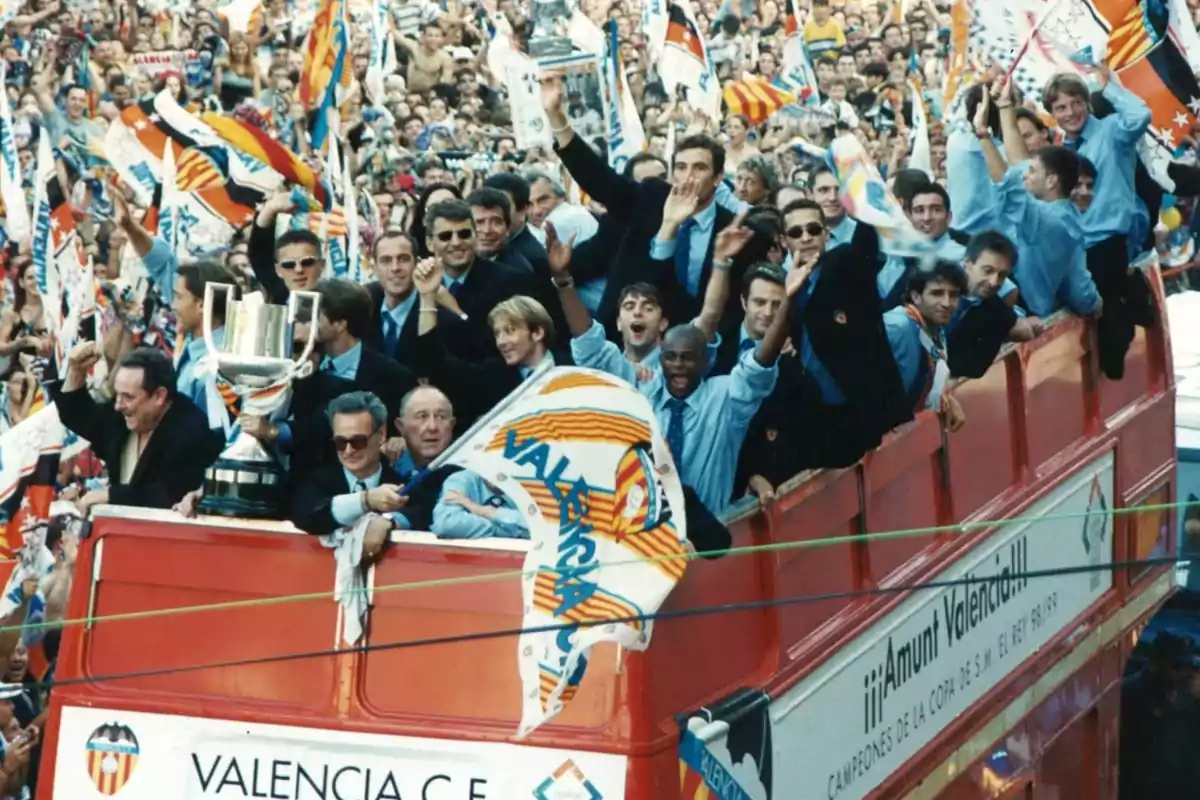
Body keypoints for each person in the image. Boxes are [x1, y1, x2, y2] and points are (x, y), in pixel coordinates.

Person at [1044, 66, 1152, 378]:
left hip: (1108, 239)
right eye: (1060, 107)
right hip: (1078, 242)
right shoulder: (1062, 151)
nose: (1070, 112)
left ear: (1087, 102)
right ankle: (1133, 296)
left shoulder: (1111, 131)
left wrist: (1109, 87)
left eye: (1076, 102)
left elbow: (1140, 116)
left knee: (1109, 328)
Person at [51, 344, 224, 512]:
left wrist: (110, 496)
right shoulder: (122, 415)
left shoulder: (191, 431)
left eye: (128, 397)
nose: (118, 405)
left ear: (159, 396)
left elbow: (168, 494)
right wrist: (76, 370)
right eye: (117, 394)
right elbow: (82, 418)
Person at [289, 392, 411, 560]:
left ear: (381, 434)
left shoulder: (400, 482)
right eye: (340, 442)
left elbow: (419, 512)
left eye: (358, 441)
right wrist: (366, 500)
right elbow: (306, 515)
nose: (348, 451)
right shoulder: (315, 479)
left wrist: (388, 521)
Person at [883, 261, 967, 427]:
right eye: (937, 293)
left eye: (954, 295)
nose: (946, 303)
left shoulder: (934, 328)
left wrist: (947, 399)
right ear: (916, 296)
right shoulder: (896, 328)